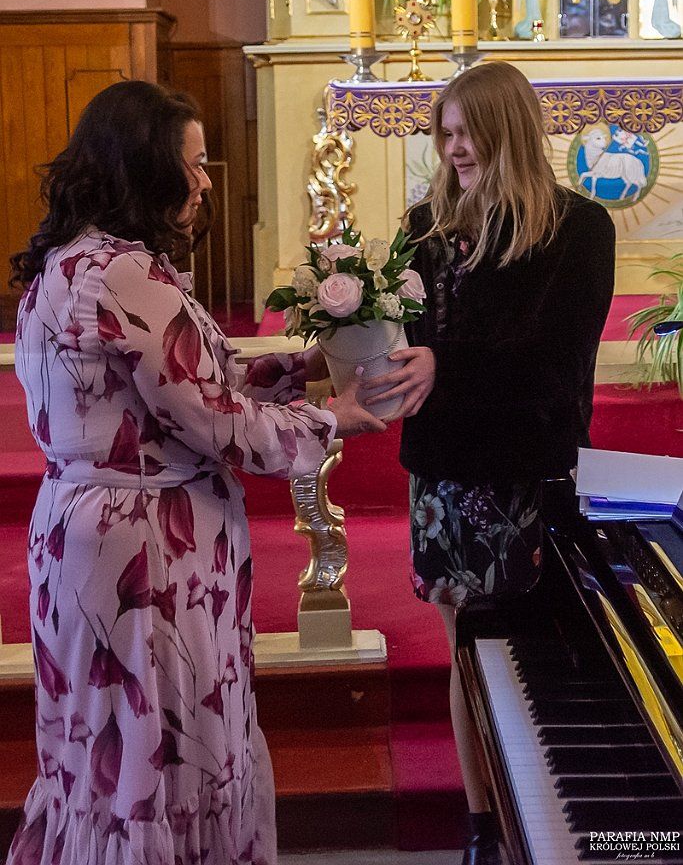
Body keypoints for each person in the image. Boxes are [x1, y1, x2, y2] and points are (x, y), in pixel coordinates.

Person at [7, 80, 386, 865]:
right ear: (146, 167)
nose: (206, 182)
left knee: (105, 759)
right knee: (157, 758)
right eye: (195, 163)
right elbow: (214, 424)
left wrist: (303, 369)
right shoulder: (127, 276)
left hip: (89, 529)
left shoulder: (74, 261)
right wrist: (332, 420)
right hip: (145, 550)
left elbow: (179, 390)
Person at [364, 62, 615, 864]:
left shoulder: (577, 228)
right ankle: (482, 829)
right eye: (444, 132)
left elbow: (557, 361)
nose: (453, 147)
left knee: (534, 665)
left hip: (527, 472)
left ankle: (547, 823)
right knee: (467, 655)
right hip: (442, 474)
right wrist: (350, 351)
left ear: (507, 130)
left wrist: (446, 366)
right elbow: (398, 342)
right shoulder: (423, 229)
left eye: (467, 131)